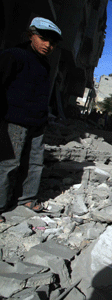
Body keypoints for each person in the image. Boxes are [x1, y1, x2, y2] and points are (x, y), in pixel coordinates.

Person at [0, 17, 63, 222]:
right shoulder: (14, 56)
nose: (48, 45)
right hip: (14, 120)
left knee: (34, 163)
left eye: (52, 43)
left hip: (37, 122)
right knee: (9, 163)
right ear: (31, 35)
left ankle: (26, 198)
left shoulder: (44, 64)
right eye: (43, 39)